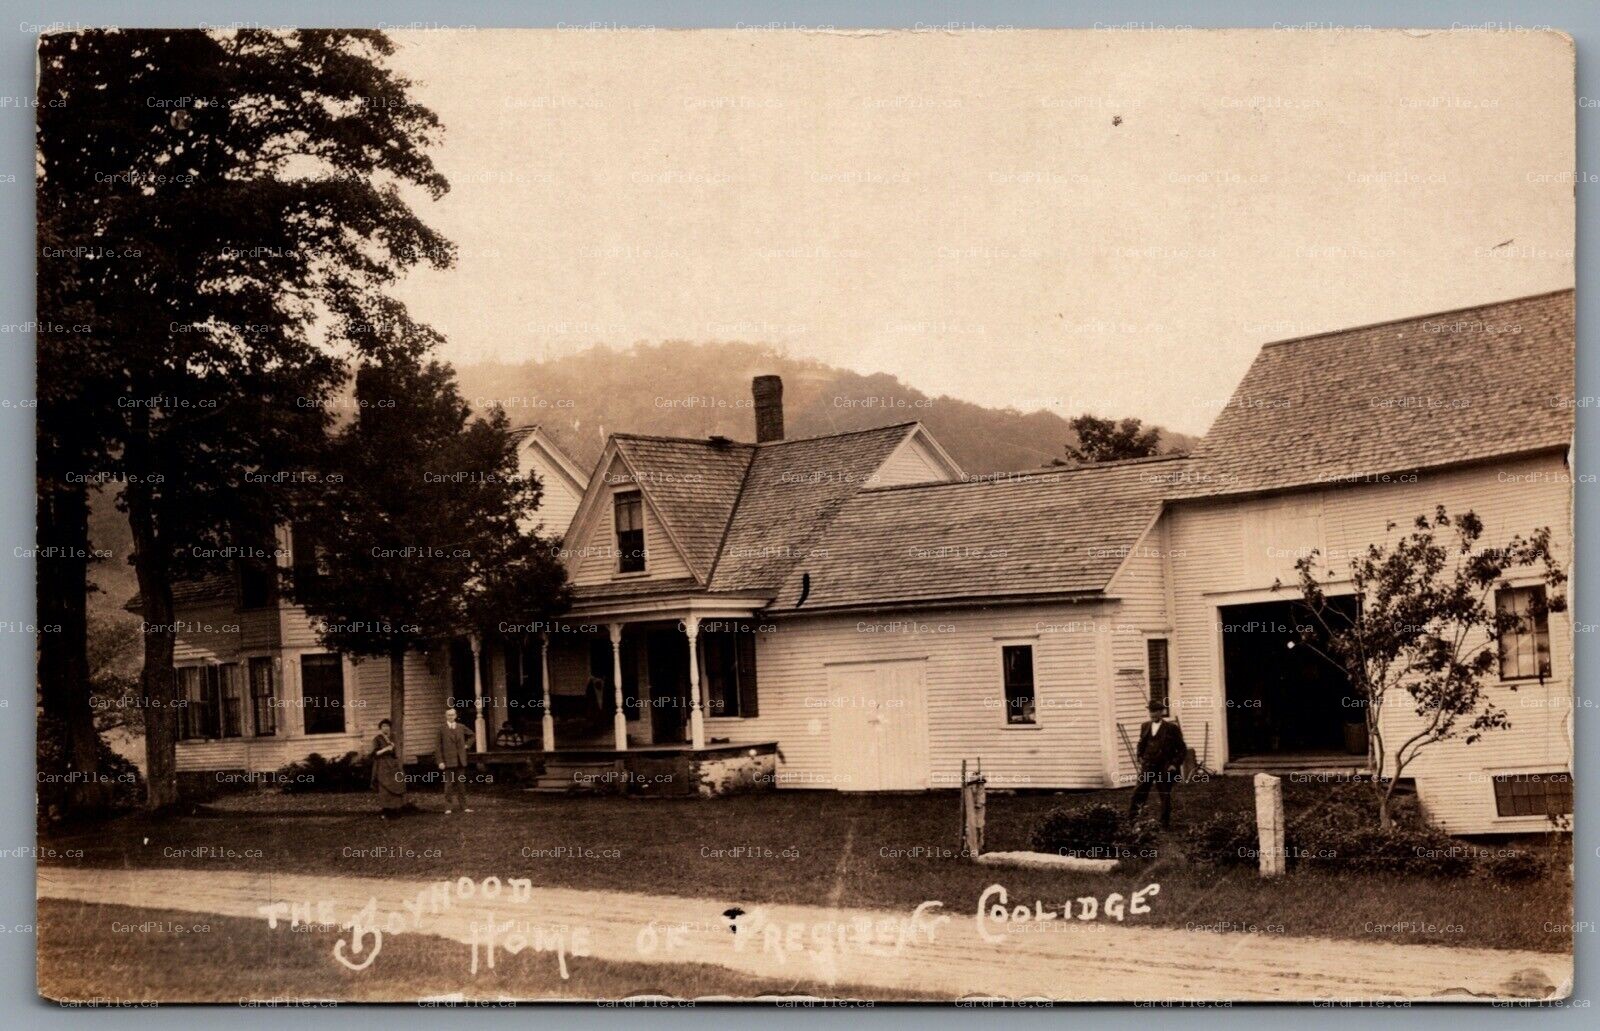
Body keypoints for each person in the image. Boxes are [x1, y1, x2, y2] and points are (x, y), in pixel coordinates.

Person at [1129, 699, 1186, 829]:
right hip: (1148, 765)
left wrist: (1174, 764)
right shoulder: (1145, 726)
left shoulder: (1172, 728)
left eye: (1155, 711)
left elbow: (1182, 749)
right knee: (1139, 792)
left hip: (1164, 767)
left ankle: (1164, 823)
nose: (1153, 714)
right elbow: (1141, 743)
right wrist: (1139, 756)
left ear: (1162, 712)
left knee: (1164, 794)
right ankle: (1133, 820)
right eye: (1151, 711)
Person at [437, 707, 475, 813]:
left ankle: (464, 806)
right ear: (446, 716)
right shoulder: (441, 729)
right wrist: (440, 761)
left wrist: (467, 745)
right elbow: (438, 747)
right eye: (448, 715)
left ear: (456, 716)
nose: (451, 717)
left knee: (461, 785)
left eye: (452, 715)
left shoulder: (461, 727)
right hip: (448, 761)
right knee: (448, 785)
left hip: (460, 760)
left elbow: (472, 735)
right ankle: (448, 807)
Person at [370, 718, 405, 817]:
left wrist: (393, 750)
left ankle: (394, 810)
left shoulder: (392, 739)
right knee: (384, 788)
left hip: (392, 765)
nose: (386, 728)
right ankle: (385, 811)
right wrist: (386, 749)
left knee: (395, 784)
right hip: (382, 764)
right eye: (383, 726)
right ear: (380, 728)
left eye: (387, 726)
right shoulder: (377, 739)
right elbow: (375, 753)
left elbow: (395, 753)